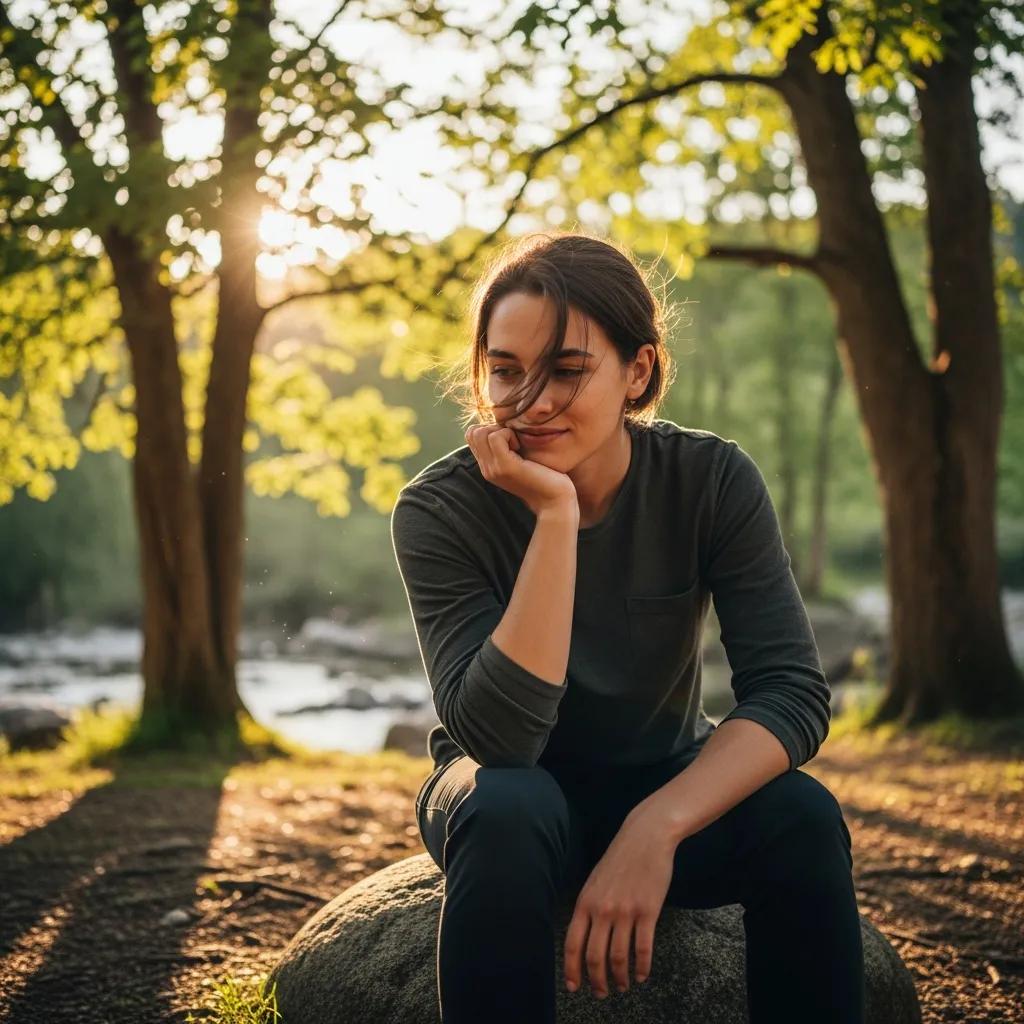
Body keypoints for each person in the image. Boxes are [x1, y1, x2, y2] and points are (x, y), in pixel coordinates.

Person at [389, 230, 865, 1023]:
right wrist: (553, 514)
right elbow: (500, 744)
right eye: (505, 371)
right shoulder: (441, 509)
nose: (531, 401)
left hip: (664, 779)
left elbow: (790, 695)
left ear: (637, 371)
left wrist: (659, 825)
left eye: (568, 371)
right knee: (511, 806)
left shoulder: (710, 481)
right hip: (504, 808)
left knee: (804, 817)